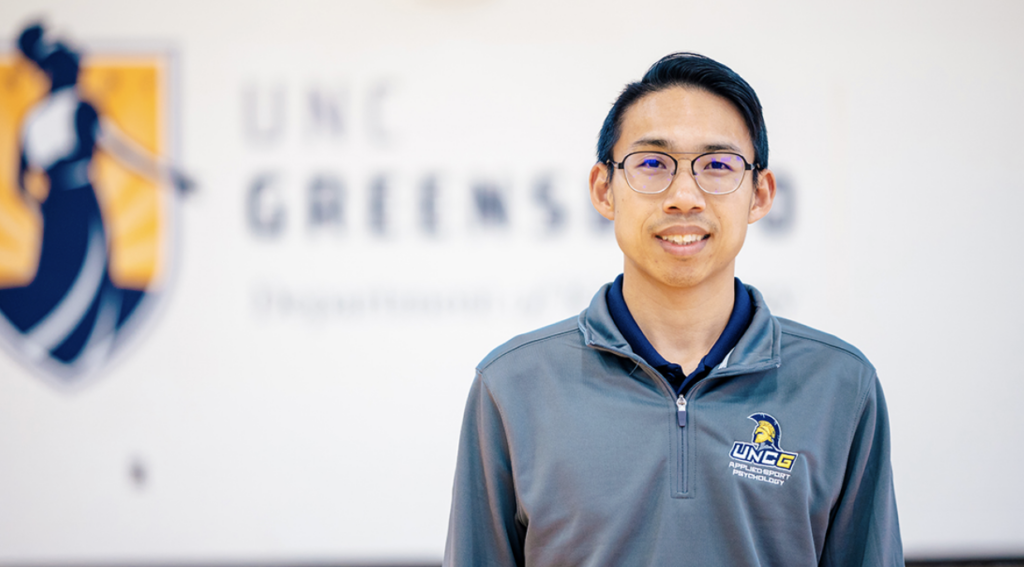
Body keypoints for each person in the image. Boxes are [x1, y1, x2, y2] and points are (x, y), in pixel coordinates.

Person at [444, 52, 902, 566]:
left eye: (718, 166)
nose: (684, 196)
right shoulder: (513, 386)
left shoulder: (840, 385)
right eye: (652, 164)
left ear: (760, 194)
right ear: (603, 188)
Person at [0, 23, 191, 379]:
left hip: (57, 205)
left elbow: (20, 181)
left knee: (74, 270)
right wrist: (169, 176)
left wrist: (39, 207)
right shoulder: (71, 112)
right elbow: (122, 151)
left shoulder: (37, 119)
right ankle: (66, 337)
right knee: (74, 272)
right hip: (78, 203)